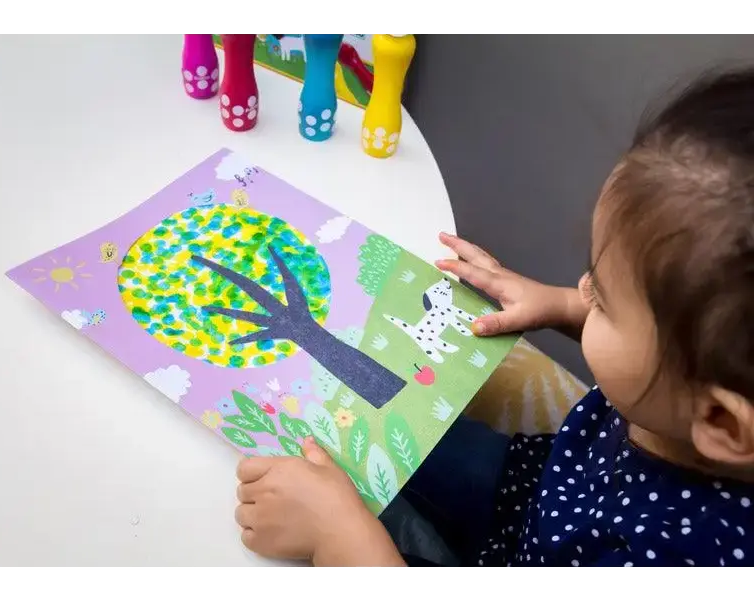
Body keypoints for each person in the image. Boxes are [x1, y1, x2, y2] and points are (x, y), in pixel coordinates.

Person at [232, 67, 754, 568]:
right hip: (536, 485)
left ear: (721, 421)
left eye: (603, 301)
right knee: (375, 425)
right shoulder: (692, 399)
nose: (582, 288)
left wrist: (337, 538)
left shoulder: (672, 556)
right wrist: (562, 306)